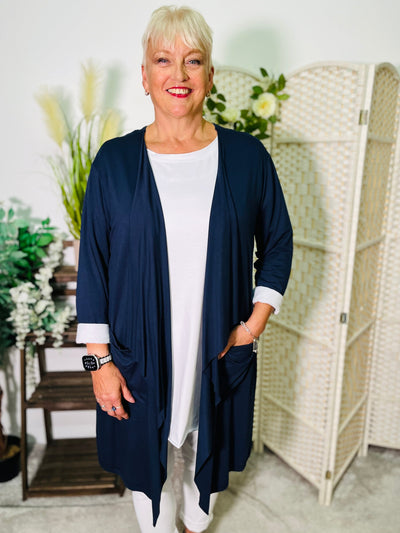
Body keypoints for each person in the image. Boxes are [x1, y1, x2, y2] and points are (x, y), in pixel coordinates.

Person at [76, 5, 292, 533]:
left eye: (193, 61)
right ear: (144, 75)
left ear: (209, 76)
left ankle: (195, 525)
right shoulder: (114, 162)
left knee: (204, 473)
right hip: (136, 354)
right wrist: (98, 363)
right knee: (148, 483)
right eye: (163, 60)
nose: (179, 73)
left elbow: (279, 243)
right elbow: (94, 264)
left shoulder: (247, 157)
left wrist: (253, 326)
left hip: (217, 347)